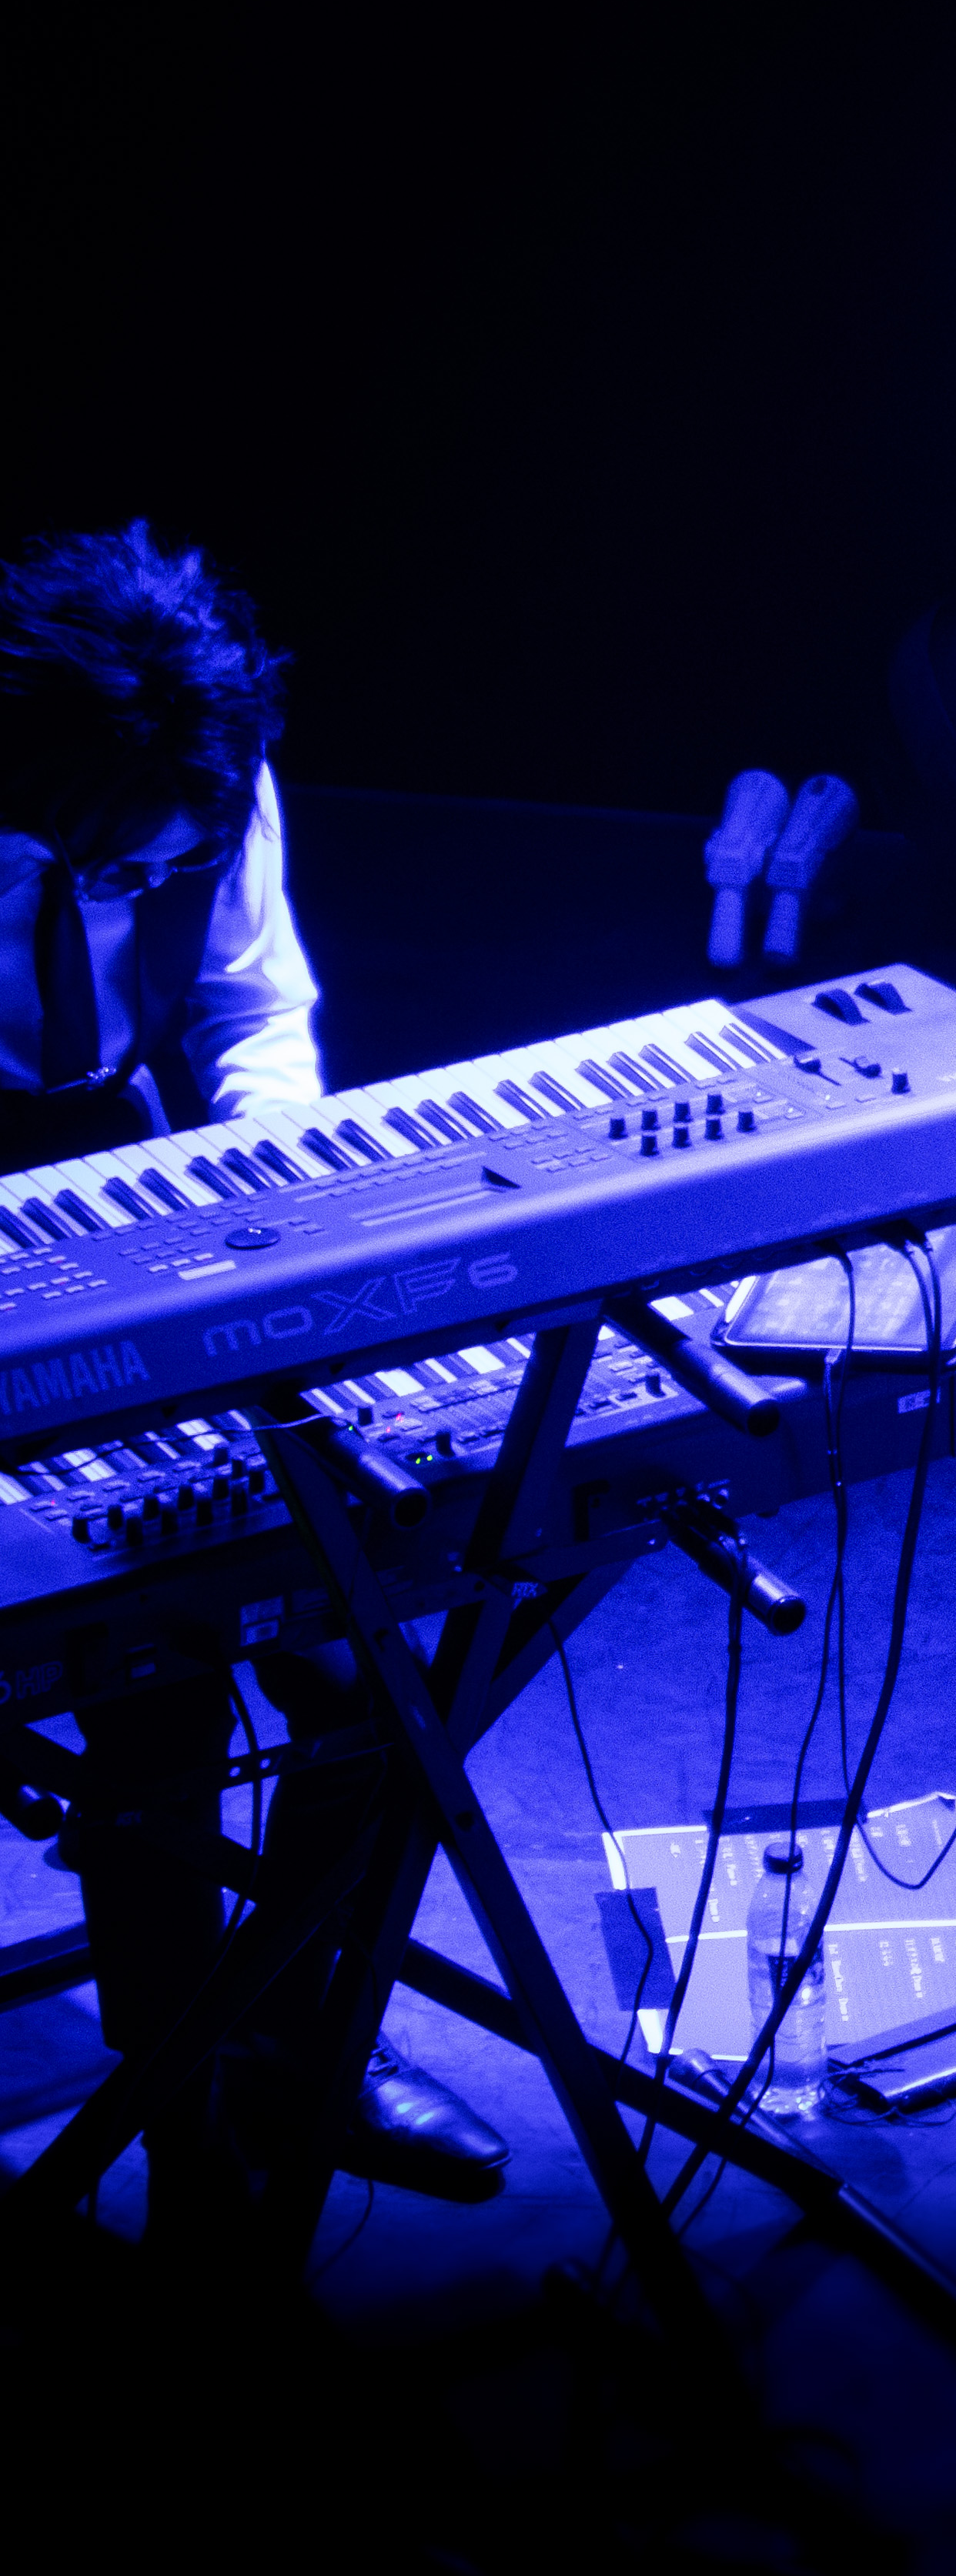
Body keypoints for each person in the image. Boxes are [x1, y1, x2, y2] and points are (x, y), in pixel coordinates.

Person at [0, 522, 508, 2243]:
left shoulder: (205, 774)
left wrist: (267, 1194)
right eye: (113, 862)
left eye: (175, 853)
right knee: (158, 1690)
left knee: (372, 1664)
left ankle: (301, 2032)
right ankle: (175, 2102)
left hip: (141, 1168)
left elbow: (246, 1010)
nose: (154, 875)